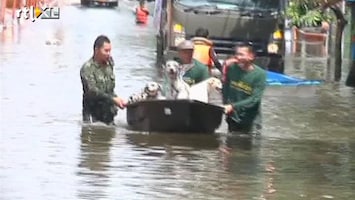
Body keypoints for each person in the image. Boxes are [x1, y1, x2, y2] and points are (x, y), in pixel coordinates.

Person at [80, 35, 126, 125]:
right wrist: (113, 99)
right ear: (96, 50)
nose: (109, 53)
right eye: (106, 51)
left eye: (110, 51)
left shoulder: (110, 63)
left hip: (108, 113)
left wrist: (119, 100)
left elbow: (110, 89)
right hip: (92, 117)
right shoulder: (87, 68)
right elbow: (93, 91)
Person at [222, 43, 266, 135]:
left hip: (250, 120)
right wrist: (226, 104)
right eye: (237, 54)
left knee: (247, 146)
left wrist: (233, 106)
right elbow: (225, 88)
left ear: (251, 56)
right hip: (233, 117)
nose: (237, 57)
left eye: (241, 54)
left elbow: (254, 99)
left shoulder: (260, 75)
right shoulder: (231, 68)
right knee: (230, 144)